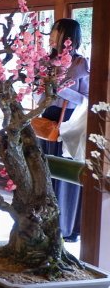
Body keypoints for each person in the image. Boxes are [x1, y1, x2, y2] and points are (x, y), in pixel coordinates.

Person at [38, 18, 89, 243]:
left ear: (68, 36)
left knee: (65, 174)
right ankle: (42, 223)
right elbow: (38, 96)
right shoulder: (45, 61)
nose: (51, 35)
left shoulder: (80, 64)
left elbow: (86, 99)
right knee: (44, 172)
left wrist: (60, 89)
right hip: (48, 118)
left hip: (69, 122)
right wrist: (42, 90)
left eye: (55, 31)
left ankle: (65, 227)